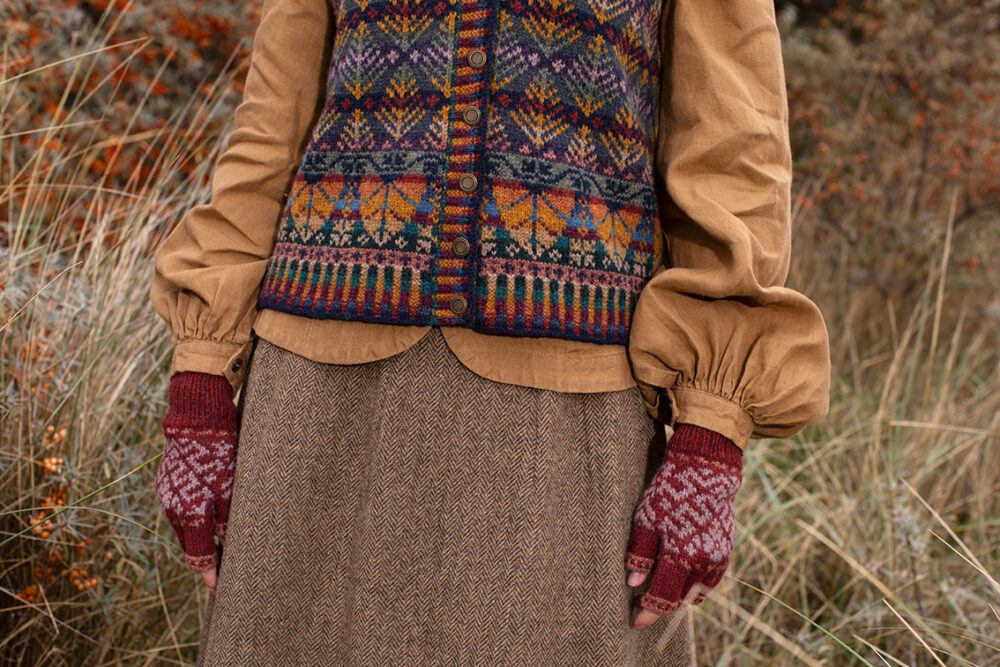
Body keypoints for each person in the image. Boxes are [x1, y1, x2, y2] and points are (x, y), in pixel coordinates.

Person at [148, 0, 832, 663]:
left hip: (567, 427)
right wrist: (203, 370)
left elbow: (733, 159)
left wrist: (711, 426)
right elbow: (270, 128)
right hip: (316, 410)